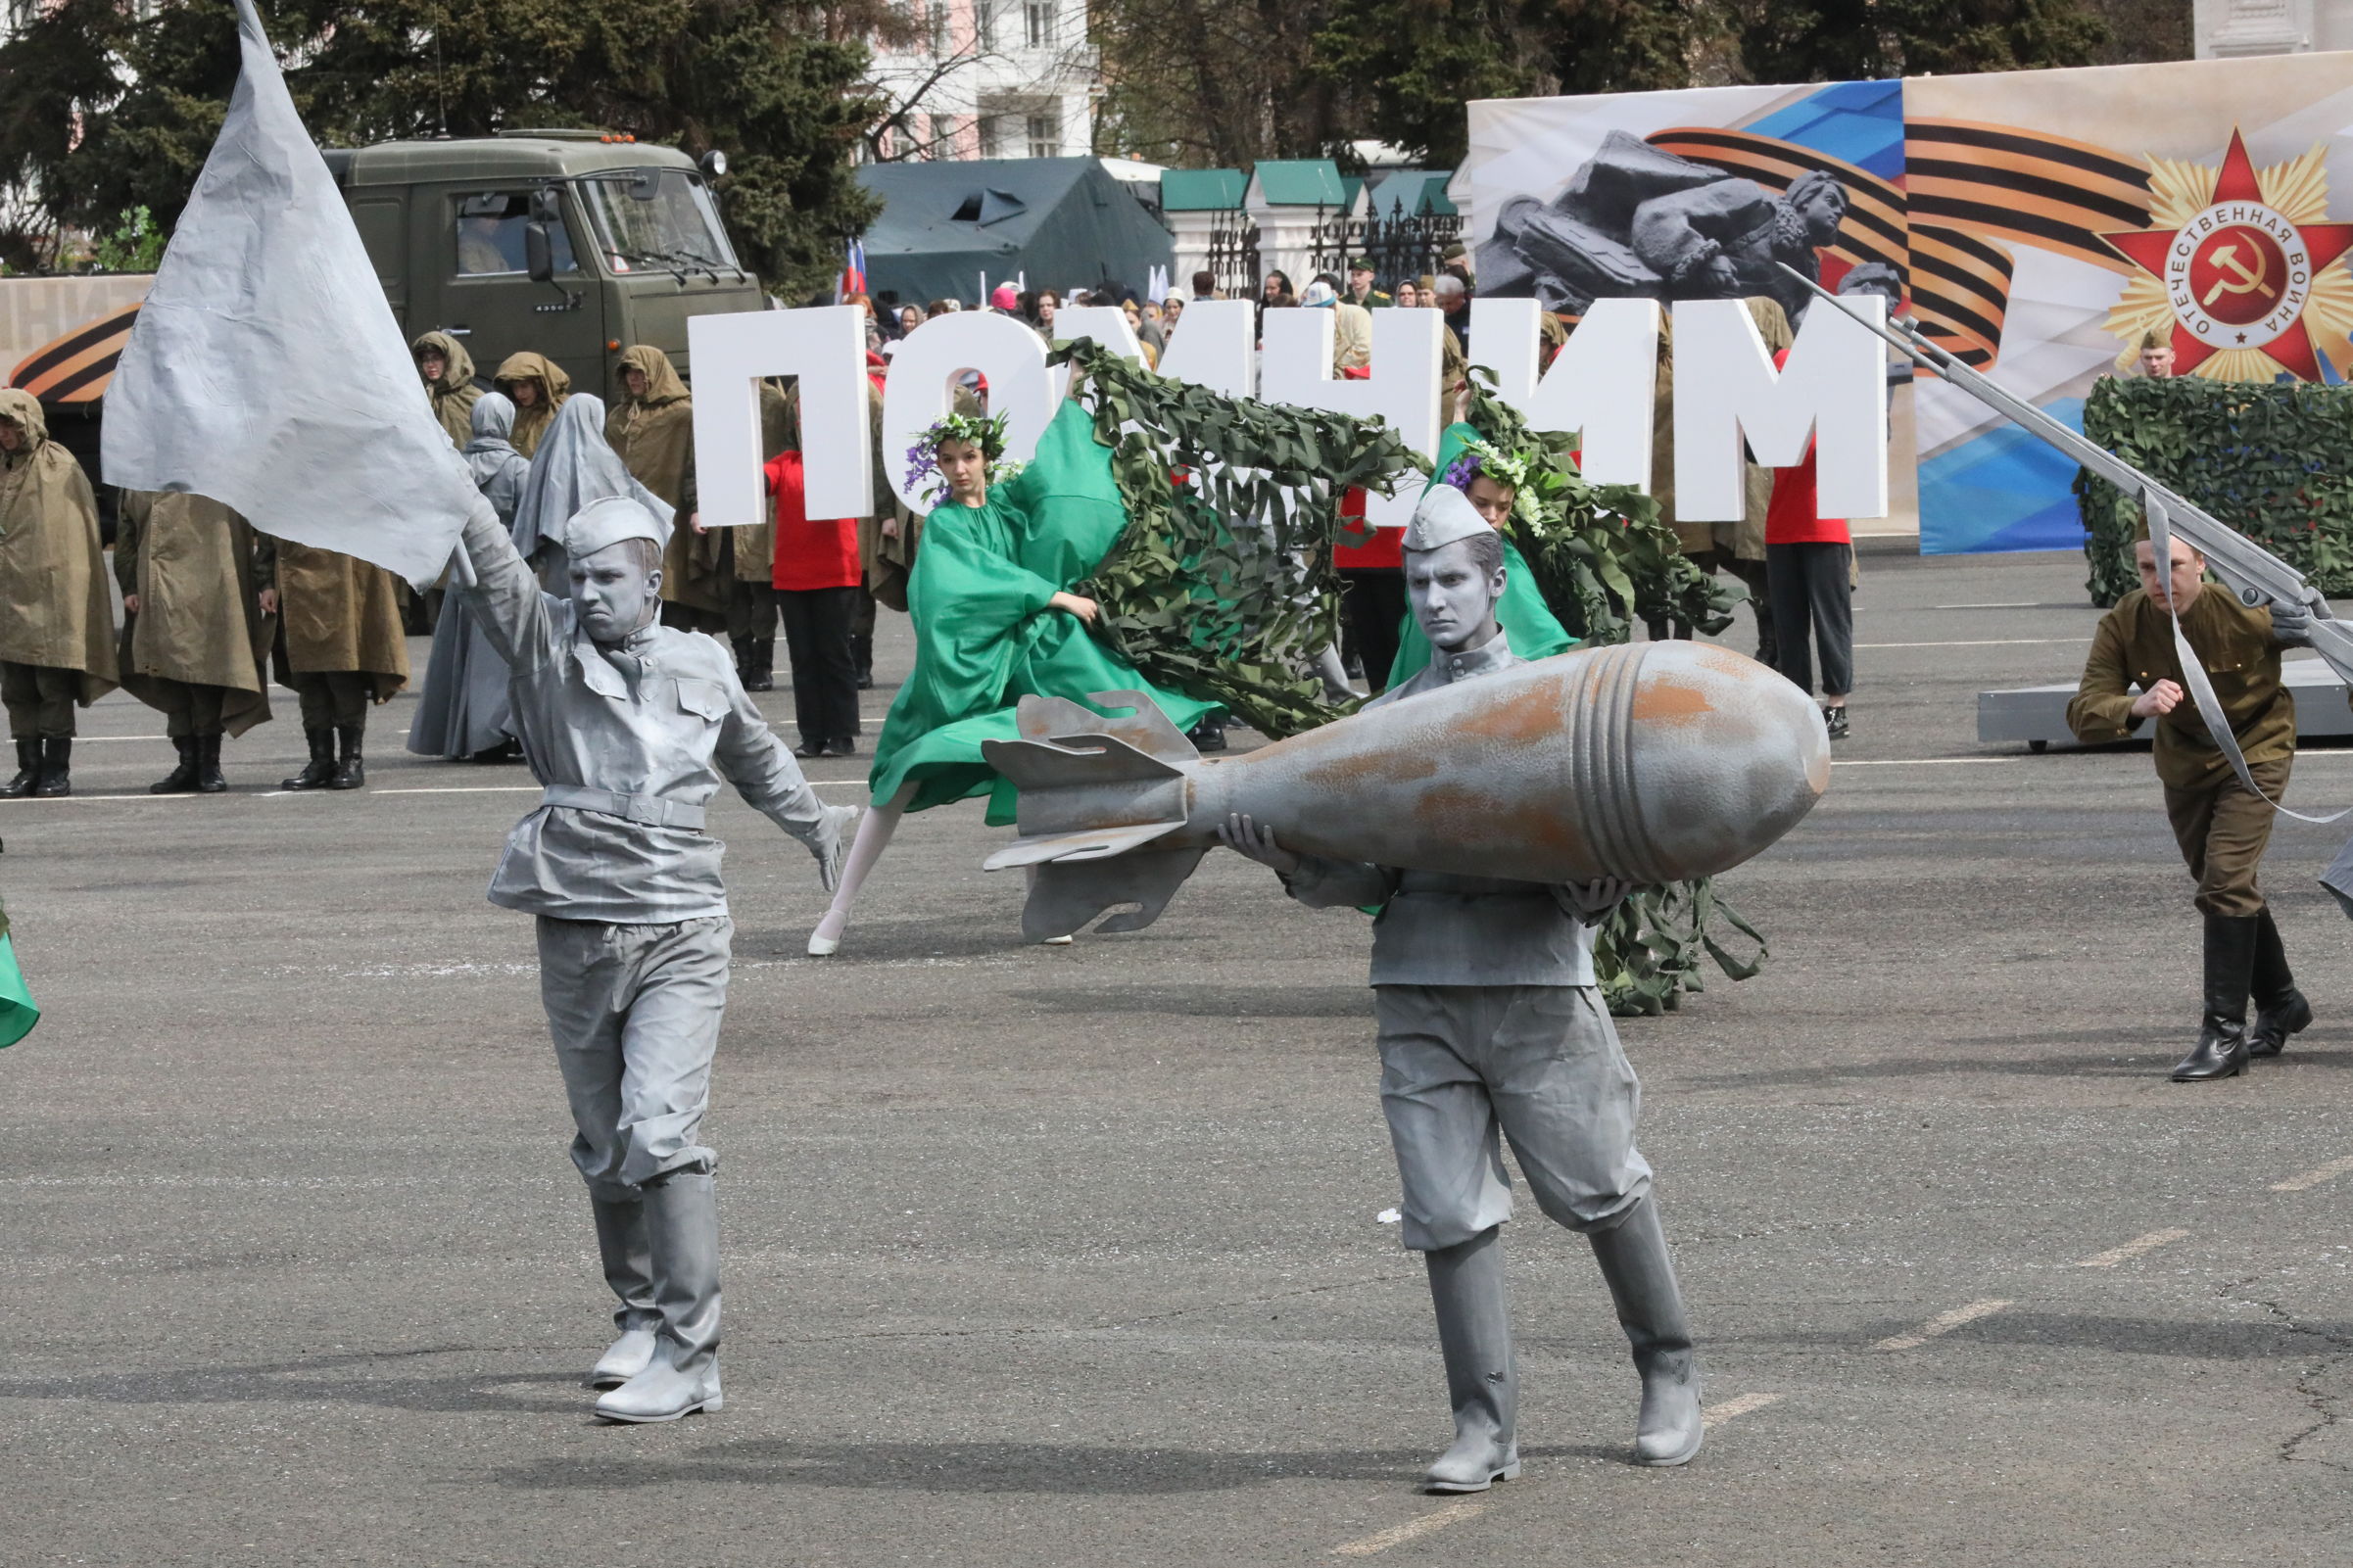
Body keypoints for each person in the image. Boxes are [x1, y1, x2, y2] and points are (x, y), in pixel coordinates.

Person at [1219, 483, 1703, 1490]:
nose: (1434, 601)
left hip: (1534, 986)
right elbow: (1364, 879)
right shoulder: (1382, 722)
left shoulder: (1554, 709)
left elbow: (1601, 838)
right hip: (1416, 987)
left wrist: (1596, 882)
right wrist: (1284, 856)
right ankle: (1483, 1427)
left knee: (1600, 1184)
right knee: (1446, 1210)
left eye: (1451, 580)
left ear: (1492, 583)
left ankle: (1667, 1368)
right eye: (1416, 583)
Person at [446, 486, 852, 1423]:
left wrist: (819, 825)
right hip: (578, 921)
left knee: (660, 1129)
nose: (585, 592)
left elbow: (753, 756)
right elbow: (493, 561)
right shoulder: (543, 644)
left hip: (683, 923)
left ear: (652, 582)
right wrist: (448, 473)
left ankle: (690, 1353)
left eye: (605, 577)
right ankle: (637, 1315)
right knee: (605, 1142)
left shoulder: (702, 659)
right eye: (574, 576)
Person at [805, 400, 1220, 955]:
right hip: (955, 680)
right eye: (948, 459)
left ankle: (1044, 906)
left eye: (969, 456)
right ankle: (838, 910)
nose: (958, 469)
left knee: (1038, 771)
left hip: (1021, 670)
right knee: (900, 779)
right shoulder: (945, 523)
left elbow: (1060, 483)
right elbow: (960, 589)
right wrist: (1052, 594)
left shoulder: (1008, 505)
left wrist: (1078, 397)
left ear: (987, 459)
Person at [2067, 527, 2316, 1081]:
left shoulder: (2247, 610)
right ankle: (2281, 1002)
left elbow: (2335, 643)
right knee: (2225, 884)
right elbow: (2084, 709)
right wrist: (2136, 706)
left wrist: (2308, 629)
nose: (2160, 580)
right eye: (2148, 569)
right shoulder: (2125, 622)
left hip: (2257, 750)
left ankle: (2224, 1036)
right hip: (2185, 765)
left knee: (2225, 879)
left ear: (2202, 562)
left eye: (2173, 565)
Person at [115, 491, 275, 792]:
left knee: (205, 676)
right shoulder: (143, 472)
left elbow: (265, 521)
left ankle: (208, 763)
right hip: (159, 586)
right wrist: (129, 585)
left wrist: (265, 578)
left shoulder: (220, 463)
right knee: (169, 676)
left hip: (213, 583)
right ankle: (188, 761)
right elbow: (127, 531)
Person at [0, 389, 115, 798]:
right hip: (7, 604)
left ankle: (55, 770)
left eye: (10, 423)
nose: (5, 433)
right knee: (15, 691)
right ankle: (27, 769)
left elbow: (76, 535)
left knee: (52, 689)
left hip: (49, 601)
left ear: (27, 421)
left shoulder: (59, 466)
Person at [408, 393, 533, 761]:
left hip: (463, 575)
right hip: (506, 570)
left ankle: (470, 736)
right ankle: (503, 732)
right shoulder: (519, 470)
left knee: (463, 658)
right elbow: (530, 522)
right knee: (505, 658)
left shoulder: (456, 467)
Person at [263, 529, 408, 790]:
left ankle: (351, 761)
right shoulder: (282, 489)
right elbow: (267, 531)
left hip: (344, 581)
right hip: (295, 584)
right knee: (309, 679)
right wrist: (266, 584)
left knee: (342, 674)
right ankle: (320, 762)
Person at [1763, 356, 1852, 738]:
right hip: (1780, 527)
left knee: (1830, 622)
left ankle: (1837, 705)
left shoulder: (1829, 415)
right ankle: (1798, 702)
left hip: (1824, 527)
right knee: (1789, 625)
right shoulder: (1772, 420)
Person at [609, 346, 723, 640]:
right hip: (629, 517)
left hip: (674, 512)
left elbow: (699, 462)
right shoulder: (619, 417)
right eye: (628, 372)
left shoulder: (683, 414)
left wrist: (698, 504)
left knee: (674, 587)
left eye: (639, 372)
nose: (633, 379)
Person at [765, 430, 863, 757]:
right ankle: (812, 735)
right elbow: (762, 483)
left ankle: (841, 733)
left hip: (836, 571)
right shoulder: (786, 462)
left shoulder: (845, 461)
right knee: (802, 659)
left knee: (835, 654)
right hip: (792, 576)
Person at [495, 351, 572, 458]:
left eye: (524, 386)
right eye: (514, 387)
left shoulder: (562, 409)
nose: (519, 393)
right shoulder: (514, 412)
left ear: (539, 384)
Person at [414, 331, 482, 449]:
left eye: (436, 358)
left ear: (451, 360)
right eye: (426, 360)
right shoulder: (422, 397)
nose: (430, 364)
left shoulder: (475, 399)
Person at [1432, 273, 1471, 359]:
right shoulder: (1438, 318)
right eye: (1441, 304)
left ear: (1460, 296)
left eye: (1449, 303)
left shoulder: (1474, 315)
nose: (1445, 308)